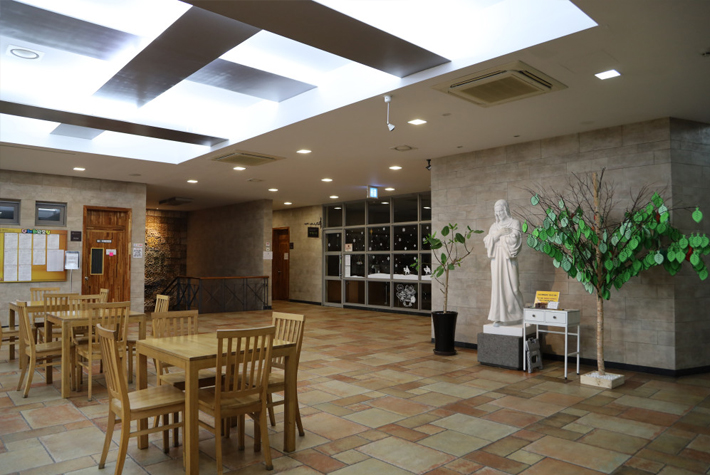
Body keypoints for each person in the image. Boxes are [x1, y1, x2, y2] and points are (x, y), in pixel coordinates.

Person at [484, 199, 525, 326]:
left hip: (508, 258)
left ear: (506, 210)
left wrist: (498, 239)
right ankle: (498, 317)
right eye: (497, 212)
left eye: (501, 211)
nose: (499, 214)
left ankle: (519, 315)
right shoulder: (494, 227)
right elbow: (487, 241)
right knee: (498, 288)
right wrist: (499, 234)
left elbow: (515, 240)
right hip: (496, 259)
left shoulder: (514, 223)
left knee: (514, 288)